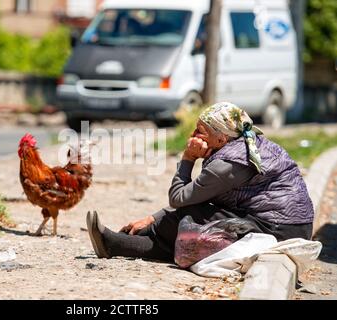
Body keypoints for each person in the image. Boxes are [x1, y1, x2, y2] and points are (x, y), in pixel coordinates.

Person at [86, 102, 314, 262]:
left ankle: (116, 242)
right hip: (284, 225)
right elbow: (197, 194)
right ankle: (115, 243)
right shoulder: (246, 144)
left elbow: (179, 199)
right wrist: (152, 218)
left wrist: (188, 158)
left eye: (200, 131)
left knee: (187, 219)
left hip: (278, 230)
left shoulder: (227, 164)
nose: (193, 136)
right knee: (185, 226)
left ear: (221, 138)